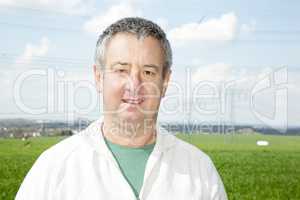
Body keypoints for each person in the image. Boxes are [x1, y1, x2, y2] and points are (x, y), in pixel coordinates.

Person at [16, 17, 228, 200]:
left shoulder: (200, 170)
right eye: (121, 70)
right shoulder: (53, 168)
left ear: (165, 82)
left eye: (148, 72)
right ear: (99, 77)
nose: (134, 85)